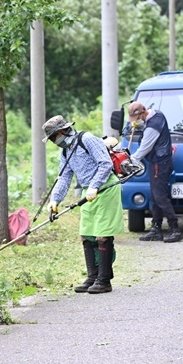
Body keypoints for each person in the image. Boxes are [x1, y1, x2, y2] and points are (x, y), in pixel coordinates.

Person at [42, 115, 124, 294]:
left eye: (53, 138)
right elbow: (64, 177)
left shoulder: (87, 139)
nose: (53, 142)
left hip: (106, 188)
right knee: (86, 235)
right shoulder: (66, 151)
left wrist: (94, 186)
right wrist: (54, 200)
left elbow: (105, 163)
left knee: (102, 235)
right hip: (90, 193)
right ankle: (92, 276)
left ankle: (104, 281)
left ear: (61, 132)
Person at [127, 101, 182, 243]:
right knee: (154, 197)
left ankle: (174, 229)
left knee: (160, 198)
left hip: (160, 163)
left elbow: (145, 147)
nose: (136, 122)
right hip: (159, 161)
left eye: (136, 118)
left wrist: (131, 160)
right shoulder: (157, 114)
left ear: (142, 113)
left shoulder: (153, 126)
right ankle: (156, 229)